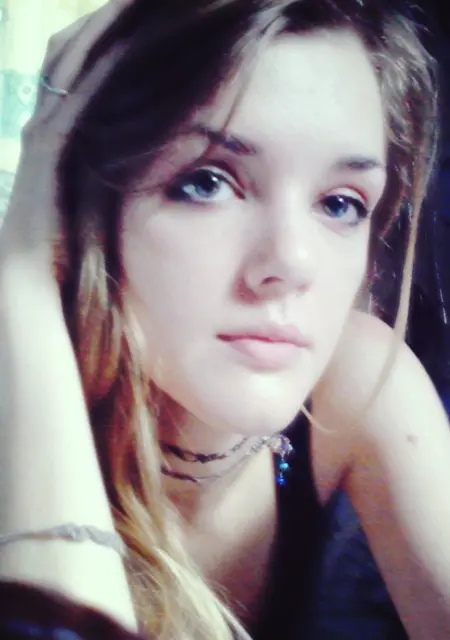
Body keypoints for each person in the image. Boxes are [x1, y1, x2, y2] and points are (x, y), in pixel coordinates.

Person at [0, 1, 449, 639]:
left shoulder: (358, 379)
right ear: (81, 206)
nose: (292, 262)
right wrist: (23, 273)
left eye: (340, 203)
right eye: (207, 182)